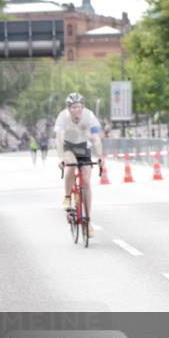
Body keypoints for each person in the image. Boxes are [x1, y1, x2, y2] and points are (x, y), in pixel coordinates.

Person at [54, 93, 104, 238]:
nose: (77, 110)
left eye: (80, 107)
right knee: (71, 164)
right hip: (68, 146)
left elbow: (95, 137)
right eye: (74, 107)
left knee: (87, 181)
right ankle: (68, 197)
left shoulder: (89, 116)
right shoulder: (62, 117)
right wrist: (61, 158)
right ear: (68, 108)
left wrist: (100, 156)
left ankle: (88, 220)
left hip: (83, 146)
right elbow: (59, 139)